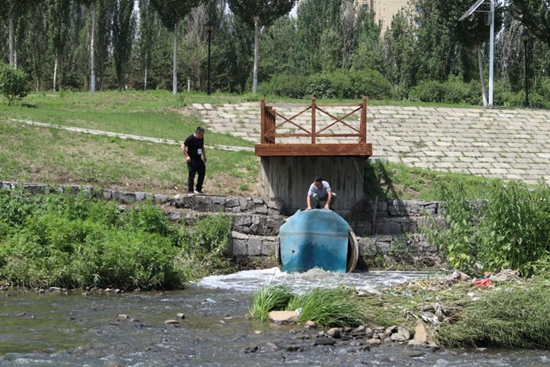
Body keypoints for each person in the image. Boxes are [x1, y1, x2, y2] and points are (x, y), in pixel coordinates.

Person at [181, 126, 207, 196]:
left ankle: (198, 189)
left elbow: (202, 146)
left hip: (199, 158)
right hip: (192, 159)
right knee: (192, 175)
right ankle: (190, 191)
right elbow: (182, 146)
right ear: (198, 133)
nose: (203, 135)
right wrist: (187, 156)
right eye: (202, 134)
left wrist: (204, 156)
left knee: (202, 172)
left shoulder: (201, 138)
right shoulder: (190, 138)